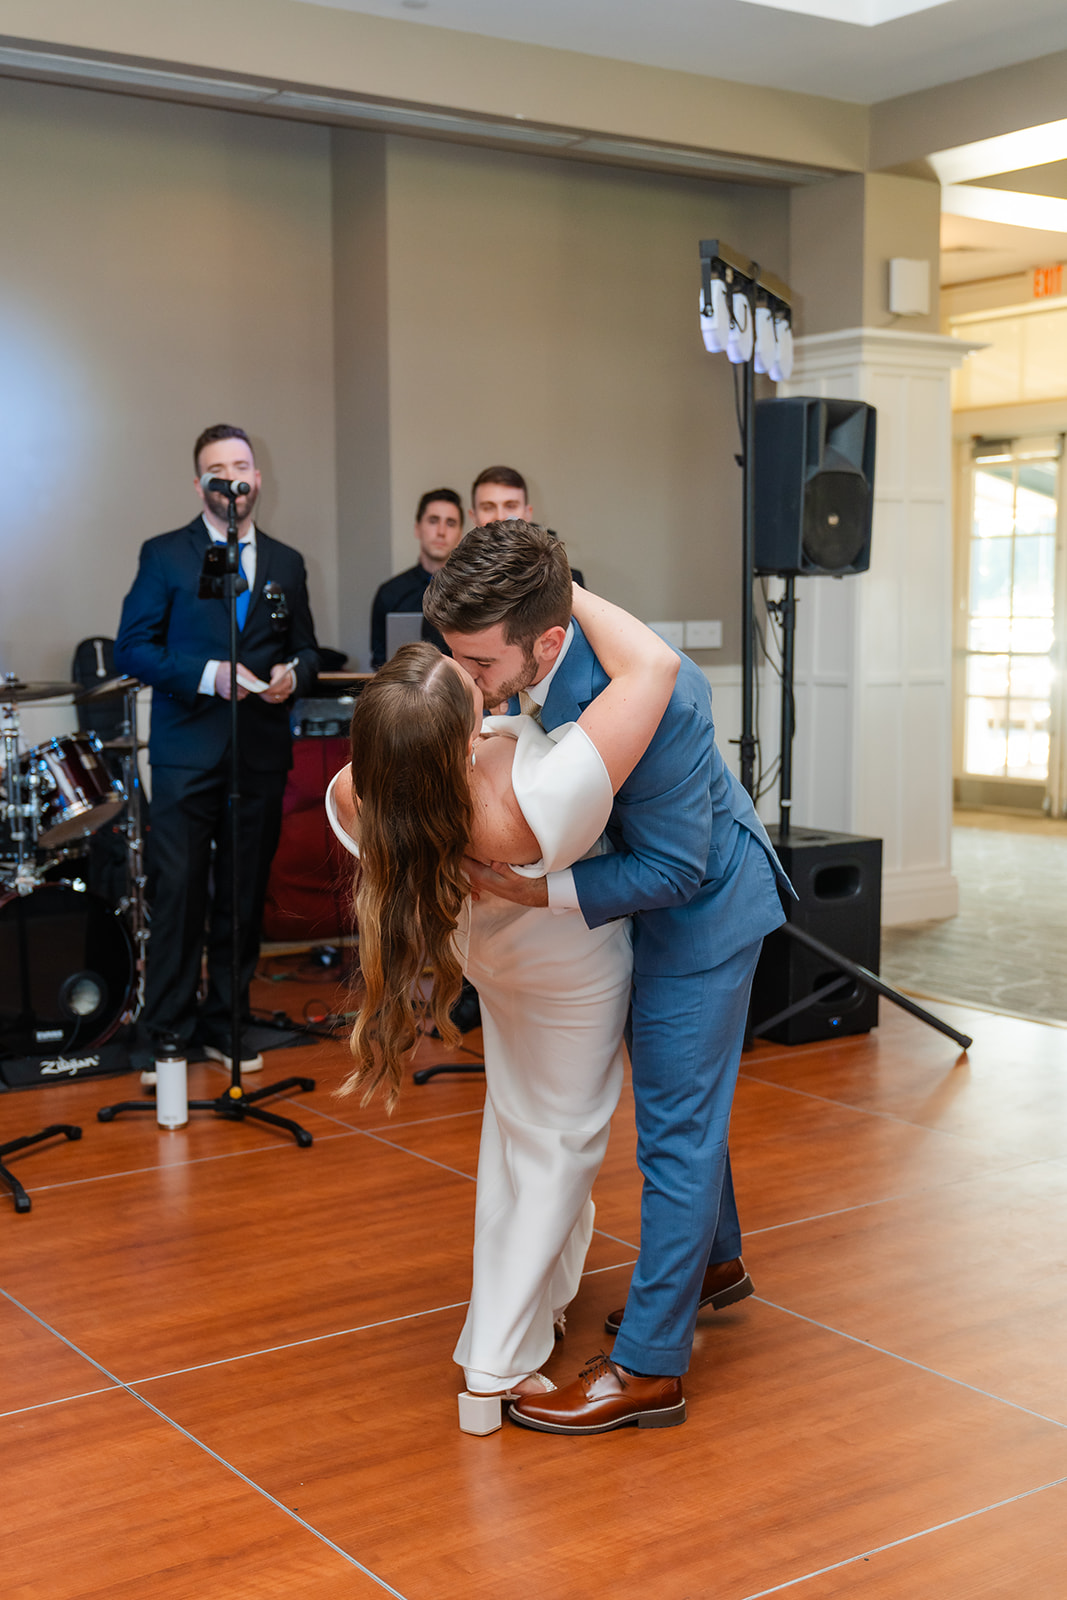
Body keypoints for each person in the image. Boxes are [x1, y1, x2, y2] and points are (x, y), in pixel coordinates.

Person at [424, 520, 791, 1434]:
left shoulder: (656, 697)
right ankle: (712, 1265)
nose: (460, 681)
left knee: (672, 1130)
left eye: (476, 663)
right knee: (687, 1106)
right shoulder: (537, 647)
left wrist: (527, 887)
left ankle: (650, 1369)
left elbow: (674, 871)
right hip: (639, 887)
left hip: (698, 911)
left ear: (546, 643)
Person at [326, 581, 679, 1401]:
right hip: (569, 978)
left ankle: (542, 1303)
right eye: (469, 690)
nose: (482, 688)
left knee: (519, 1133)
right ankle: (495, 1360)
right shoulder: (530, 796)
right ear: (460, 743)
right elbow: (652, 669)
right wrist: (558, 591)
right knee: (557, 1148)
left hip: (487, 965)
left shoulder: (359, 794)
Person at [115, 424, 320, 1072]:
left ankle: (224, 1021)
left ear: (257, 479)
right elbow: (133, 648)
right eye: (216, 469)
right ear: (199, 483)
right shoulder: (165, 554)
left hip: (258, 753)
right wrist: (209, 675)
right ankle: (166, 1030)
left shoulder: (286, 562)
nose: (230, 478)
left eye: (241, 466)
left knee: (242, 894)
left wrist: (294, 676)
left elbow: (309, 649)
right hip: (185, 754)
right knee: (177, 893)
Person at [368, 488, 465, 670]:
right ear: (417, 528)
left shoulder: (474, 592)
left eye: (450, 523)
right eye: (433, 521)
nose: (441, 531)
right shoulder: (390, 593)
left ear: (460, 535)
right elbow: (380, 663)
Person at [470, 466, 584, 587]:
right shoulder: (458, 579)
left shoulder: (567, 580)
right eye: (488, 508)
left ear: (528, 513)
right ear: (473, 517)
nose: (500, 517)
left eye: (510, 506)